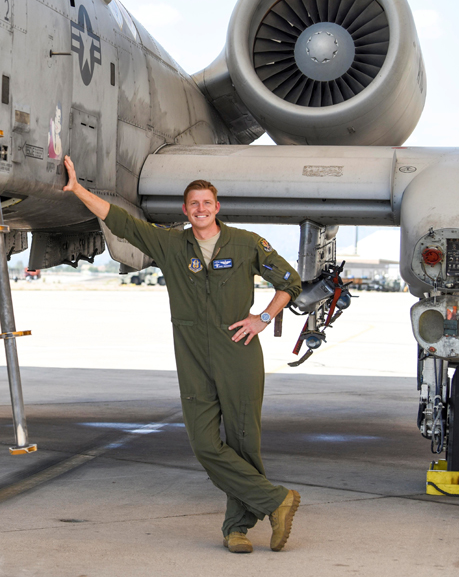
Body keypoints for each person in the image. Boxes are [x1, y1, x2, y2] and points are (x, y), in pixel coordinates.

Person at [63, 155, 302, 553]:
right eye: (194, 204)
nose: (201, 209)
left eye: (207, 202)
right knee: (206, 444)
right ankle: (276, 500)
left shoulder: (245, 243)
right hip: (192, 356)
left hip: (238, 352)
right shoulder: (172, 245)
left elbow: (289, 282)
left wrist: (262, 317)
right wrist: (78, 191)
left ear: (217, 207)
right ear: (185, 210)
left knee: (244, 443)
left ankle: (236, 529)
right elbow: (122, 223)